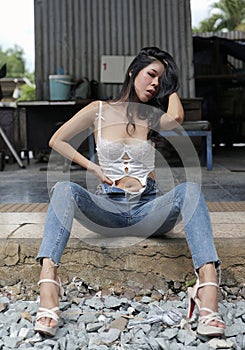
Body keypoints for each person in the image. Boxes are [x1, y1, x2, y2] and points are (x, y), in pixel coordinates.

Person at [34, 47, 225, 337]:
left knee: (190, 190)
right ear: (133, 71)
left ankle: (206, 290)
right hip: (107, 209)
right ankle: (49, 285)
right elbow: (57, 140)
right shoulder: (98, 110)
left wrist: (170, 82)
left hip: (148, 210)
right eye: (151, 74)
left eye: (161, 81)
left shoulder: (149, 117)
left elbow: (176, 117)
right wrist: (94, 169)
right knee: (63, 189)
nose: (155, 84)